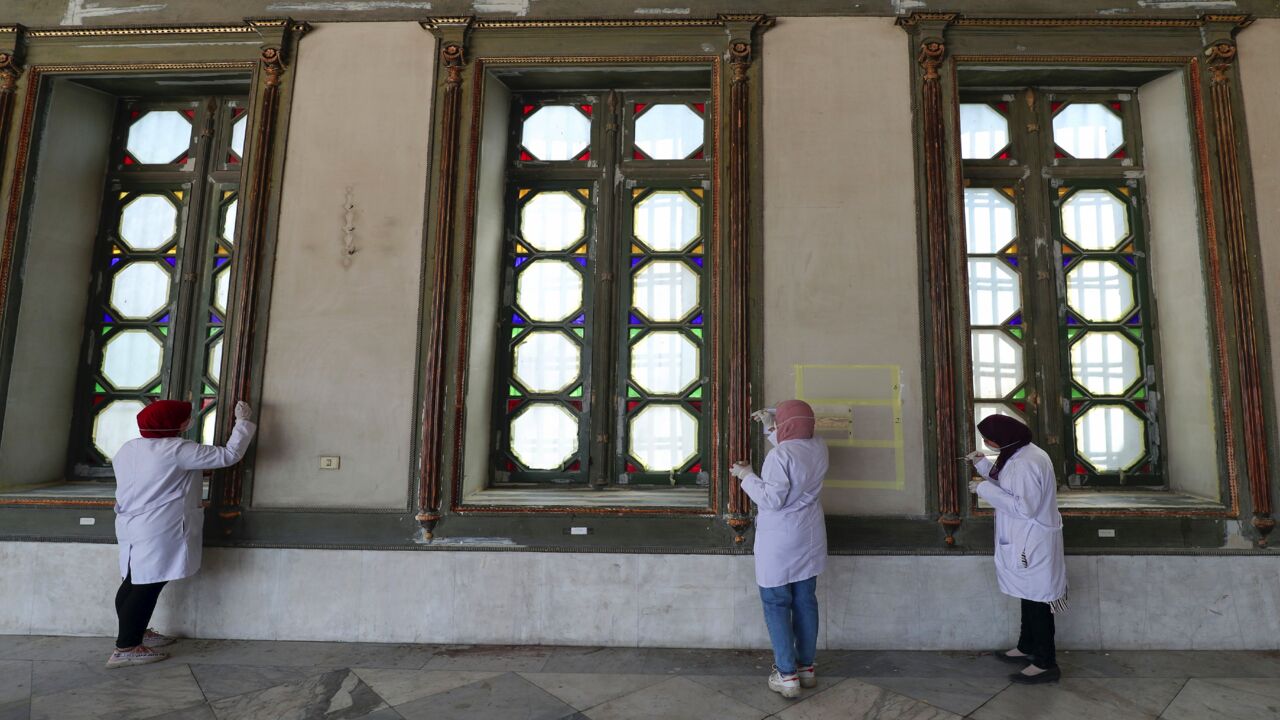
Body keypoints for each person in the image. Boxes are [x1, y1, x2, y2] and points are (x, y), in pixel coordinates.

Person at [106, 399, 257, 669]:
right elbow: (228, 455)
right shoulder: (177, 449)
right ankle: (126, 647)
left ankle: (135, 633)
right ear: (175, 424)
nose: (190, 419)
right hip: (158, 526)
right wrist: (242, 423)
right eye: (185, 417)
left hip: (131, 524)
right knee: (147, 584)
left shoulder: (129, 448)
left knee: (134, 579)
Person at [730, 399, 828, 699]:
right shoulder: (819, 446)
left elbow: (772, 499)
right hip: (809, 534)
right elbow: (796, 450)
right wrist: (770, 426)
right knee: (804, 601)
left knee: (776, 603)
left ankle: (786, 675)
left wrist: (746, 475)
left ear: (786, 425)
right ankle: (806, 669)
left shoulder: (778, 456)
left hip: (780, 539)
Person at [966, 413, 1067, 684]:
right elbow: (1007, 482)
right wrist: (981, 464)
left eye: (989, 440)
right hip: (1026, 540)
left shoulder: (1026, 462)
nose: (987, 442)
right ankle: (1026, 646)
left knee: (1038, 602)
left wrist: (983, 490)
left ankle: (1046, 663)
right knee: (1028, 595)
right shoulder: (1018, 453)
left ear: (1004, 438)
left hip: (1032, 542)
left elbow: (1024, 507)